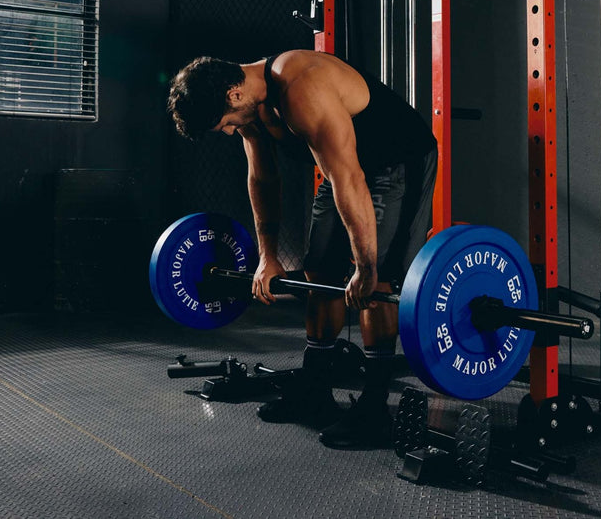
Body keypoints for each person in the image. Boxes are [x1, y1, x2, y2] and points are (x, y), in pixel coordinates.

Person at [168, 49, 436, 448]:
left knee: (377, 284)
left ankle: (376, 407)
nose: (227, 132)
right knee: (318, 274)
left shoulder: (302, 87)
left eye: (224, 124)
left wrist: (363, 267)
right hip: (344, 170)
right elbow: (262, 178)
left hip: (397, 161)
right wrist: (267, 256)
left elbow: (349, 176)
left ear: (234, 95)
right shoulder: (250, 107)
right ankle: (316, 389)